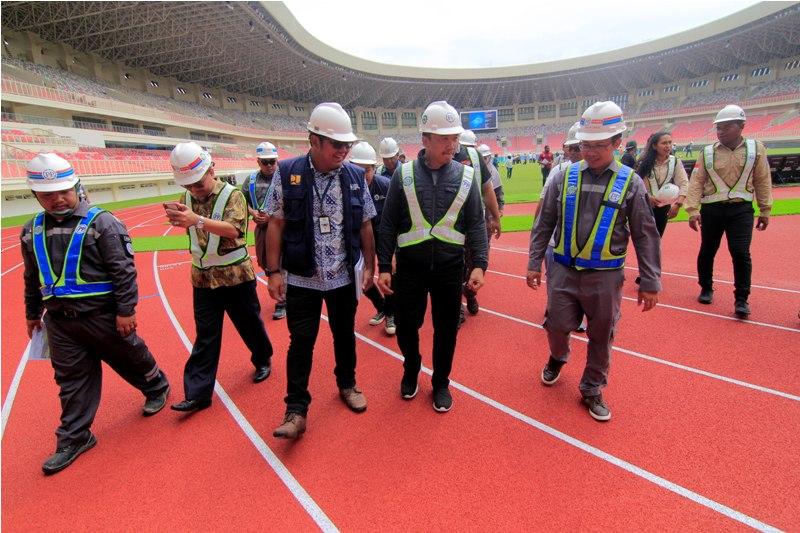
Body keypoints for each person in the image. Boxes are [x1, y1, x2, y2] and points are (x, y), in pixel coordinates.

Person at [21, 153, 170, 475]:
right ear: (36, 195)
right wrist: (32, 312)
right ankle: (74, 437)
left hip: (103, 314)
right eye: (48, 195)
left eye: (64, 191)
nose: (58, 199)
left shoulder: (103, 223)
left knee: (129, 356)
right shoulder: (30, 231)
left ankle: (156, 385)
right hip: (59, 322)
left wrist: (126, 310)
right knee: (70, 380)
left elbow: (123, 271)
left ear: (77, 187)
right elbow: (31, 276)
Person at [526, 101, 661, 422]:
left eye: (599, 145)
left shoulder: (631, 183)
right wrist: (534, 262)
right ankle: (559, 356)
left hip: (605, 277)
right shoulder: (563, 178)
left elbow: (645, 234)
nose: (591, 151)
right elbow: (543, 222)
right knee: (557, 325)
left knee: (602, 334)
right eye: (586, 144)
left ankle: (591, 388)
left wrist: (651, 281)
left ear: (617, 143)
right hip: (563, 271)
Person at [265, 102, 376, 439]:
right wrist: (273, 271)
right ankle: (296, 409)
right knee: (301, 342)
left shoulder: (356, 176)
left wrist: (371, 265)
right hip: (302, 277)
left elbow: (366, 225)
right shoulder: (288, 173)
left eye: (347, 145)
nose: (343, 151)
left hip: (343, 276)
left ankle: (347, 384)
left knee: (345, 335)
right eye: (336, 144)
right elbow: (275, 223)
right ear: (314, 140)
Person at [378, 100, 488, 413]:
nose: (452, 145)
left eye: (455, 138)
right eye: (444, 138)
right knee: (406, 325)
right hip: (410, 270)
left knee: (446, 328)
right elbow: (388, 223)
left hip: (449, 270)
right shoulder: (403, 175)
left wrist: (479, 263)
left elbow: (477, 224)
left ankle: (441, 381)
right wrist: (384, 265)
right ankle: (412, 368)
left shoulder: (466, 177)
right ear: (425, 139)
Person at [166, 142, 273, 413]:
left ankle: (263, 359)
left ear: (211, 170)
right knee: (205, 336)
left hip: (236, 276)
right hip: (203, 279)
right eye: (188, 185)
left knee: (249, 324)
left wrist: (196, 221)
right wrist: (181, 219)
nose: (193, 189)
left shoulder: (233, 195)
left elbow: (235, 230)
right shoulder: (187, 199)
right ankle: (199, 394)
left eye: (198, 183)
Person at [685, 104, 772, 318]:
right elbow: (696, 181)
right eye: (718, 128)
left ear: (741, 126)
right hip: (711, 209)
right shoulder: (707, 152)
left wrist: (765, 209)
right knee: (708, 249)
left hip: (741, 210)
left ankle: (741, 298)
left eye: (725, 127)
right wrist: (692, 209)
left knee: (741, 253)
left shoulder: (756, 149)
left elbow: (762, 179)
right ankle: (706, 287)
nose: (720, 131)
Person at [535, 122, 587, 334]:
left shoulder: (608, 177)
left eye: (578, 148)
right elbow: (543, 202)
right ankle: (553, 311)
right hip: (556, 241)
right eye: (571, 148)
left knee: (582, 283)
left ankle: (577, 316)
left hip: (585, 244)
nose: (574, 153)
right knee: (555, 282)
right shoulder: (558, 172)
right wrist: (537, 228)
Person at [349, 141, 395, 335]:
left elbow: (398, 217)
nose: (362, 175)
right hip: (359, 240)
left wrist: (394, 251)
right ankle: (381, 306)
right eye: (358, 170)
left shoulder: (386, 185)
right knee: (360, 278)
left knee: (390, 273)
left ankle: (392, 313)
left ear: (374, 169)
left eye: (367, 170)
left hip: (384, 238)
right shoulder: (345, 186)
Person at [455, 129, 502, 322]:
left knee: (478, 263)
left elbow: (487, 188)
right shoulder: (440, 158)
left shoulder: (475, 158)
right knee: (455, 265)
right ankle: (456, 306)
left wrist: (496, 216)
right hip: (452, 226)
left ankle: (471, 293)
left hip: (476, 222)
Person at [242, 141, 285, 320]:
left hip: (282, 227)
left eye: (272, 161)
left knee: (283, 262)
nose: (269, 165)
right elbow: (241, 202)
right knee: (265, 261)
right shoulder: (250, 180)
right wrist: (252, 213)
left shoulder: (284, 177)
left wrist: (274, 216)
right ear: (258, 161)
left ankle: (283, 301)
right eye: (265, 162)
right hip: (261, 229)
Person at [635, 131, 689, 237]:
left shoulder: (675, 162)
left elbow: (684, 183)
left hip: (663, 208)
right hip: (645, 207)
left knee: (657, 239)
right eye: (664, 143)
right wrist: (647, 197)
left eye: (669, 142)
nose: (668, 146)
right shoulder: (643, 163)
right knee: (644, 241)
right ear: (654, 146)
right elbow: (635, 186)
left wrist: (678, 205)